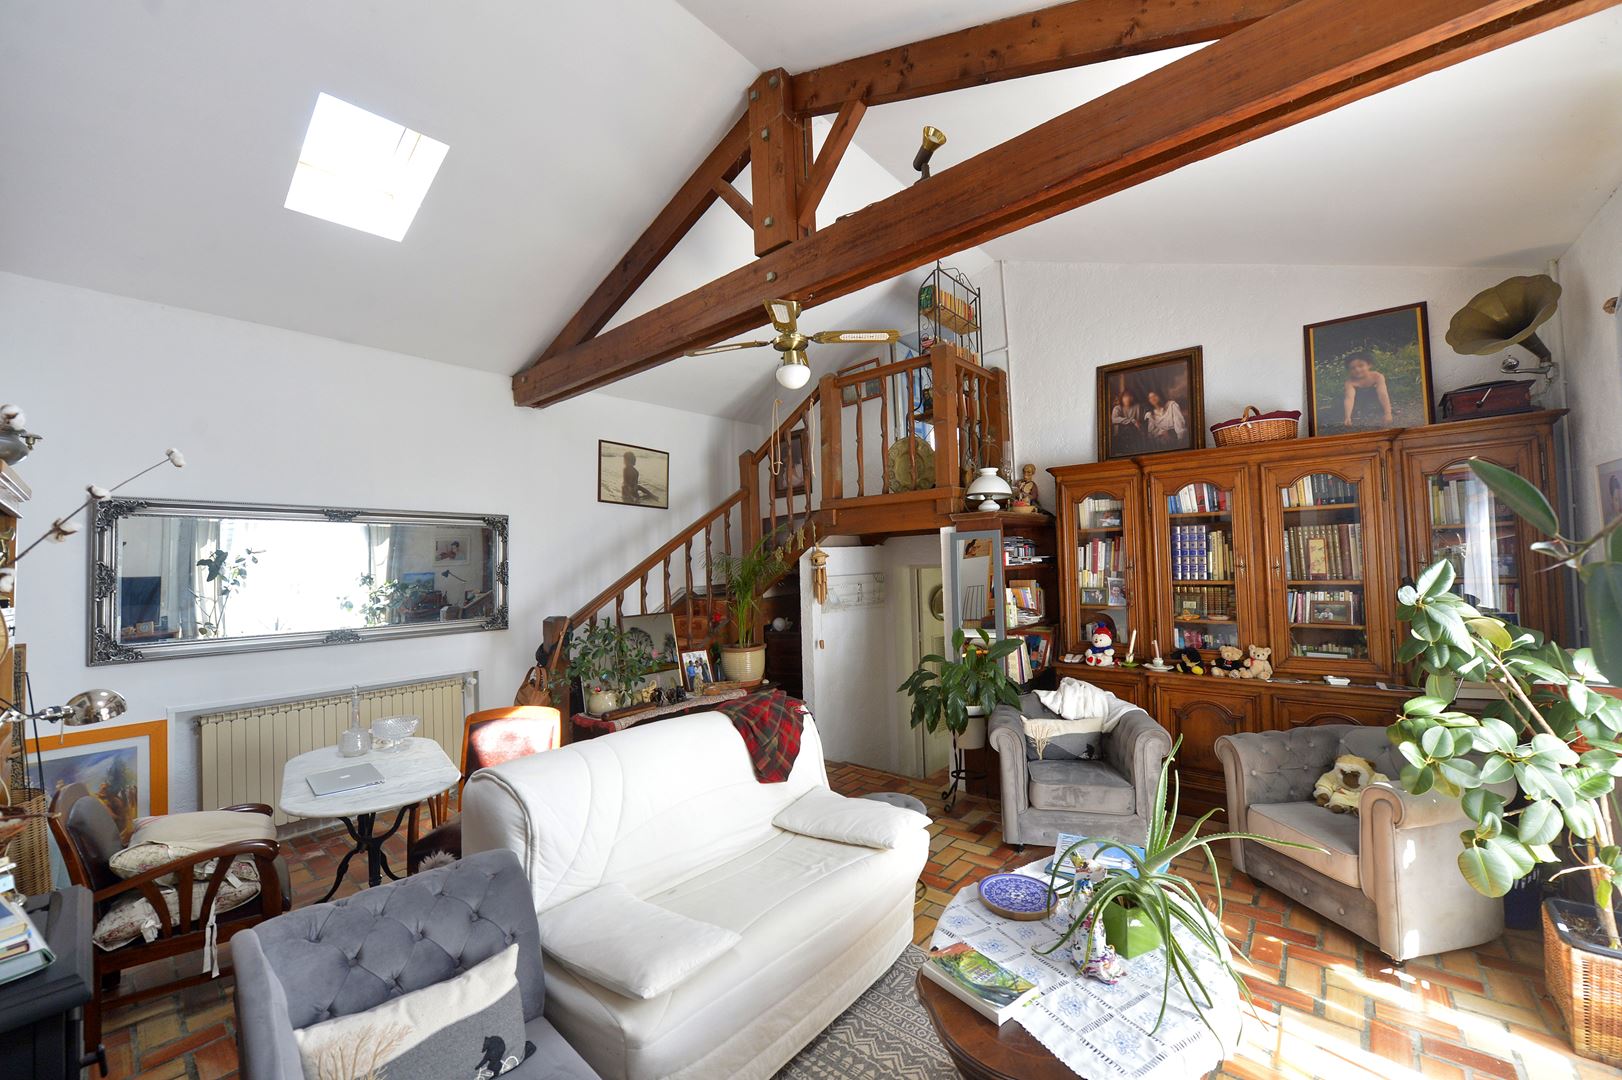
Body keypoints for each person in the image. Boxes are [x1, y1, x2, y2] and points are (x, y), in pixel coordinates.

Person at [1340, 354, 1393, 429]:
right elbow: (1349, 398)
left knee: (1383, 394)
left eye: (1361, 366)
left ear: (1369, 365)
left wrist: (1388, 413)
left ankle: (1385, 408)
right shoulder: (1350, 382)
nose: (1357, 370)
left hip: (1375, 398)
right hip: (1359, 400)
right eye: (1353, 368)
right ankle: (1357, 411)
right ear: (1349, 370)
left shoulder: (1377, 376)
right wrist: (1347, 417)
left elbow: (1383, 394)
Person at [1110, 389, 1143, 454]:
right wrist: (1132, 421)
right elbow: (1114, 419)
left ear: (1133, 398)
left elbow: (1139, 421)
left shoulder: (1137, 407)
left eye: (1130, 396)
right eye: (1125, 397)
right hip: (1119, 436)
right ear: (1121, 398)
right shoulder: (1117, 408)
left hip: (1134, 435)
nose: (1128, 399)